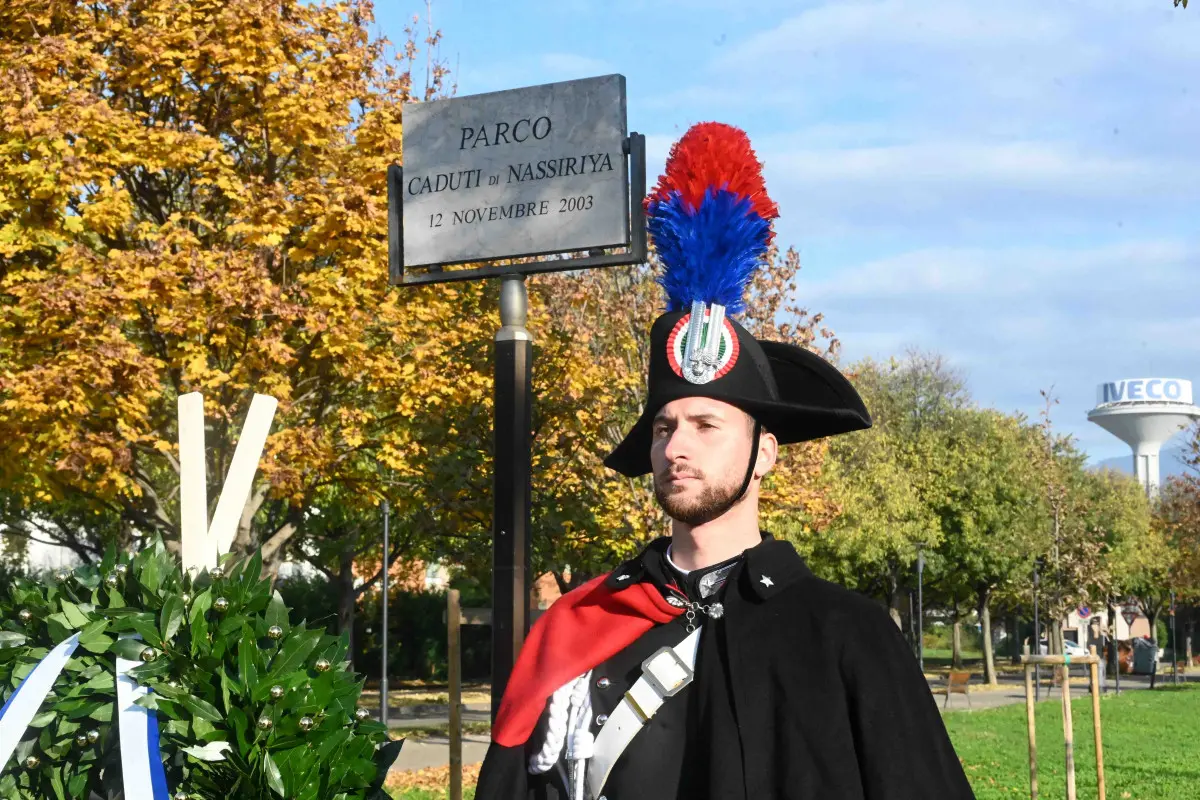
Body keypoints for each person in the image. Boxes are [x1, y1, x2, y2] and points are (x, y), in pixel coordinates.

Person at [474, 122, 975, 800]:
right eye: (663, 427)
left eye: (707, 425)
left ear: (764, 452)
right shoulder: (576, 630)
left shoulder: (847, 635)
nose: (676, 447)